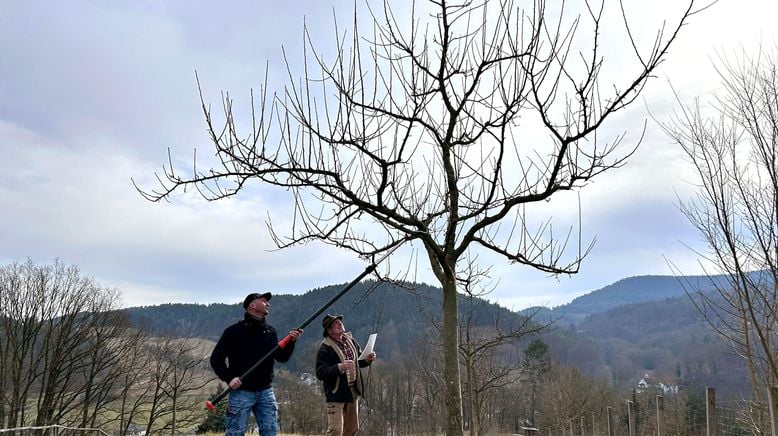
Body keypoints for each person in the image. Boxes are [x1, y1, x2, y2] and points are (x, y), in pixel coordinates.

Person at [210, 292, 303, 436]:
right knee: (235, 433)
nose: (268, 304)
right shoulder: (233, 332)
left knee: (270, 432)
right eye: (264, 300)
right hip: (241, 392)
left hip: (266, 392)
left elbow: (281, 358)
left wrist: (291, 342)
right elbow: (216, 359)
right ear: (252, 305)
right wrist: (229, 378)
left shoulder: (271, 332)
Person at [315, 314, 376, 436]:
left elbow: (359, 362)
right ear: (329, 330)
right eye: (336, 323)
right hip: (335, 394)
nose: (340, 323)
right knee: (335, 431)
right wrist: (339, 367)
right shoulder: (325, 348)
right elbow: (320, 372)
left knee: (352, 429)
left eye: (340, 322)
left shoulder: (351, 341)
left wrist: (368, 359)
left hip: (353, 391)